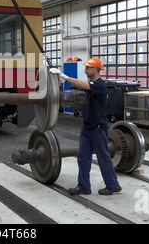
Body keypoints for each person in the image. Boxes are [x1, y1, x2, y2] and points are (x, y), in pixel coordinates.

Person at [50, 58, 121, 196]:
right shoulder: (91, 85)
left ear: (95, 69)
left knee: (103, 157)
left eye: (88, 68)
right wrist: (61, 82)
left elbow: (83, 85)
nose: (85, 70)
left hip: (98, 128)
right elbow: (81, 89)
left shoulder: (100, 85)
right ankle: (83, 186)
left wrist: (65, 77)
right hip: (87, 127)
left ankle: (113, 185)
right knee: (83, 157)